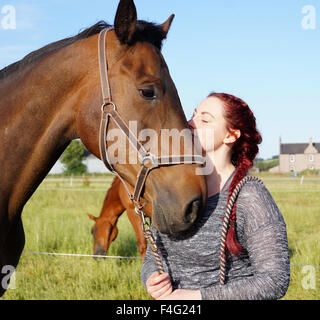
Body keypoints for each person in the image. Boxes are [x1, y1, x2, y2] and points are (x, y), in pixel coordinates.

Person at [140, 92, 290, 300]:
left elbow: (275, 280)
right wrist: (151, 278)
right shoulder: (171, 188)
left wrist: (198, 297)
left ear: (231, 135)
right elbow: (152, 256)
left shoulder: (249, 196)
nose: (190, 123)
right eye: (193, 115)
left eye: (205, 119)